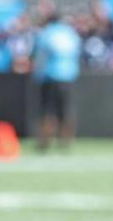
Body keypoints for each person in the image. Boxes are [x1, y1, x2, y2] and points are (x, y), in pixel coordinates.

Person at [32, 9, 82, 151]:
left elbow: (41, 56)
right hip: (69, 76)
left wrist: (37, 75)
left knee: (47, 111)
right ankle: (66, 142)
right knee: (67, 110)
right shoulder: (70, 33)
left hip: (50, 76)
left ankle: (45, 142)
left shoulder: (47, 33)